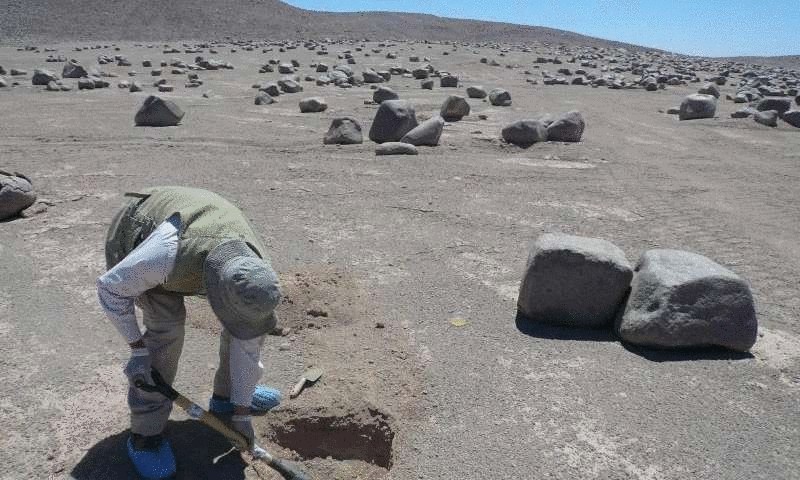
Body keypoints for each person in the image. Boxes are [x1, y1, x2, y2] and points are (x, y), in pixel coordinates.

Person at [96, 186, 282, 480]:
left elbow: (247, 347)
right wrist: (138, 349)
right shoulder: (163, 254)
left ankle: (227, 402)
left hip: (195, 243)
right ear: (214, 287)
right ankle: (146, 437)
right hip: (139, 234)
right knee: (166, 328)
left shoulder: (257, 275)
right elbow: (111, 288)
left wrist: (242, 412)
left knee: (242, 329)